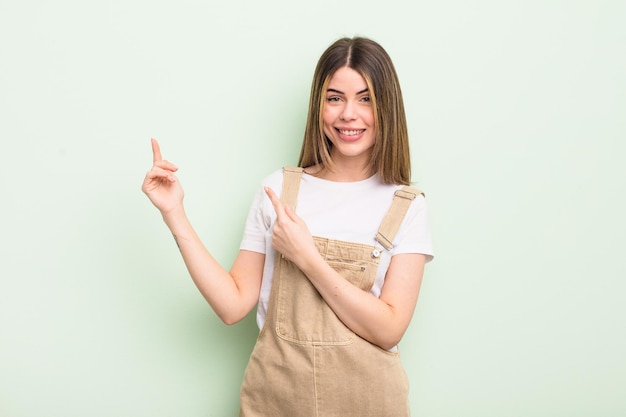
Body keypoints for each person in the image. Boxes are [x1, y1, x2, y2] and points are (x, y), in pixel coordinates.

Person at [142, 36, 434, 416]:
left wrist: (307, 257)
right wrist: (174, 213)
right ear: (319, 106)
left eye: (366, 99)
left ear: (387, 109)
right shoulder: (278, 190)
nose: (349, 113)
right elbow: (232, 306)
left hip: (369, 403)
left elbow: (389, 328)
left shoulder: (406, 205)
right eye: (334, 98)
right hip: (277, 400)